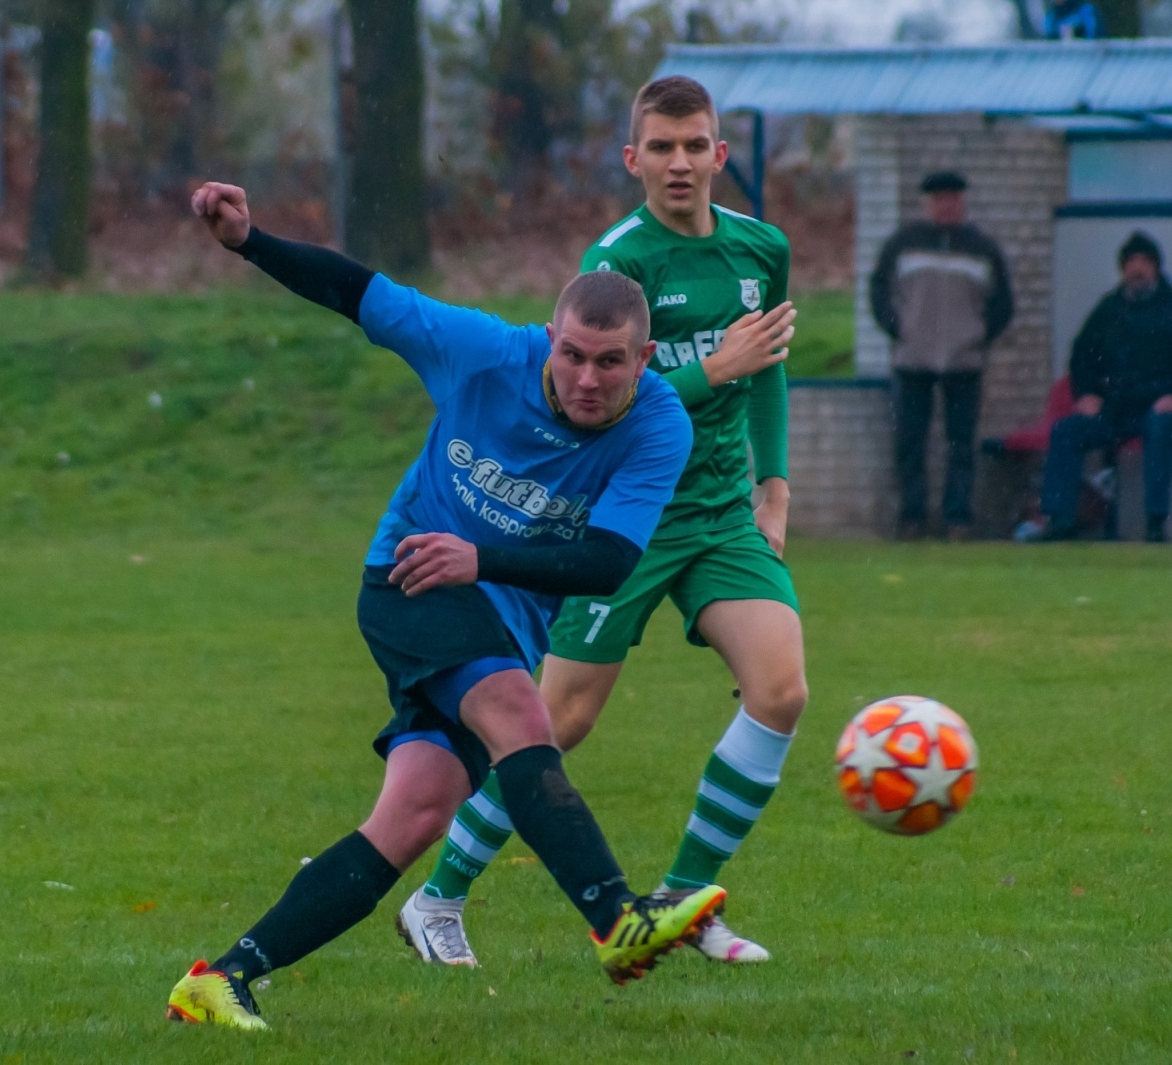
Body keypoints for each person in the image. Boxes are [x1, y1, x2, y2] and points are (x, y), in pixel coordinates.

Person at [164, 181, 723, 1030]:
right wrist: (250, 241)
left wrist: (485, 559)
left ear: (644, 363)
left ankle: (222, 978)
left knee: (416, 813)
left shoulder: (658, 425)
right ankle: (617, 918)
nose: (586, 378)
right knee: (518, 714)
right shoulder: (482, 352)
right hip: (410, 576)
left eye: (611, 363)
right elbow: (356, 292)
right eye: (572, 354)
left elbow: (607, 563)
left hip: (495, 614)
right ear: (549, 338)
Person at [399, 75, 805, 968]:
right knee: (555, 724)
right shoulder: (619, 263)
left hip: (715, 517)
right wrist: (715, 367)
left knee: (780, 692)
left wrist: (772, 490)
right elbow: (605, 399)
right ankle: (437, 898)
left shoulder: (760, 249)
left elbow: (765, 366)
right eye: (661, 147)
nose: (680, 163)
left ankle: (681, 900)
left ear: (720, 155)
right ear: (633, 160)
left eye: (695, 145)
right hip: (619, 516)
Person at [1020, 231, 1172, 543]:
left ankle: (1155, 523)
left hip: (1161, 408)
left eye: (1144, 262)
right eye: (1130, 263)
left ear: (1156, 267)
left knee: (1159, 429)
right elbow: (1081, 356)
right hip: (1115, 409)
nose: (1137, 269)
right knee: (1066, 431)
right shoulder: (1108, 310)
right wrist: (1085, 393)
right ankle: (1059, 518)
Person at [869, 170, 1013, 540]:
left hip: (964, 363)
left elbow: (1003, 304)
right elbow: (879, 291)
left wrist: (978, 337)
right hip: (913, 361)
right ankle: (912, 517)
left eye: (954, 199)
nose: (947, 206)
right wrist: (900, 330)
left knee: (961, 446)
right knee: (910, 444)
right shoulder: (903, 243)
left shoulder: (982, 247)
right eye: (940, 199)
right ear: (927, 203)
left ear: (962, 203)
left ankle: (957, 519)